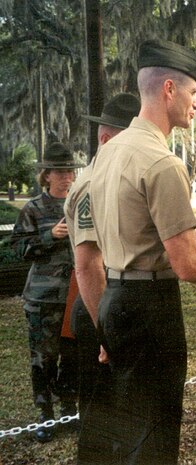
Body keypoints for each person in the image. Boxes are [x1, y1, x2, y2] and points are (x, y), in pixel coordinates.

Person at [85, 39, 196, 465]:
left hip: (114, 301)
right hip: (149, 309)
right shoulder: (162, 162)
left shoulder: (108, 154)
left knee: (130, 431)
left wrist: (192, 237)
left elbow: (130, 233)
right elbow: (188, 267)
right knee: (155, 438)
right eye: (195, 93)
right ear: (170, 90)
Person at [63, 92, 140, 462]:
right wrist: (106, 334)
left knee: (121, 423)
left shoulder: (113, 180)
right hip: (99, 309)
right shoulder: (94, 186)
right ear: (106, 140)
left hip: (112, 308)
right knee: (98, 425)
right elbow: (88, 266)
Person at [10, 141, 85, 443]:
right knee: (44, 358)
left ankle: (68, 409)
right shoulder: (34, 208)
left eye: (70, 171)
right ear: (47, 176)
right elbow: (17, 249)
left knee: (73, 357)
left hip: (76, 296)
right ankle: (45, 415)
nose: (67, 177)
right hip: (43, 298)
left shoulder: (81, 205)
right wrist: (48, 236)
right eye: (60, 172)